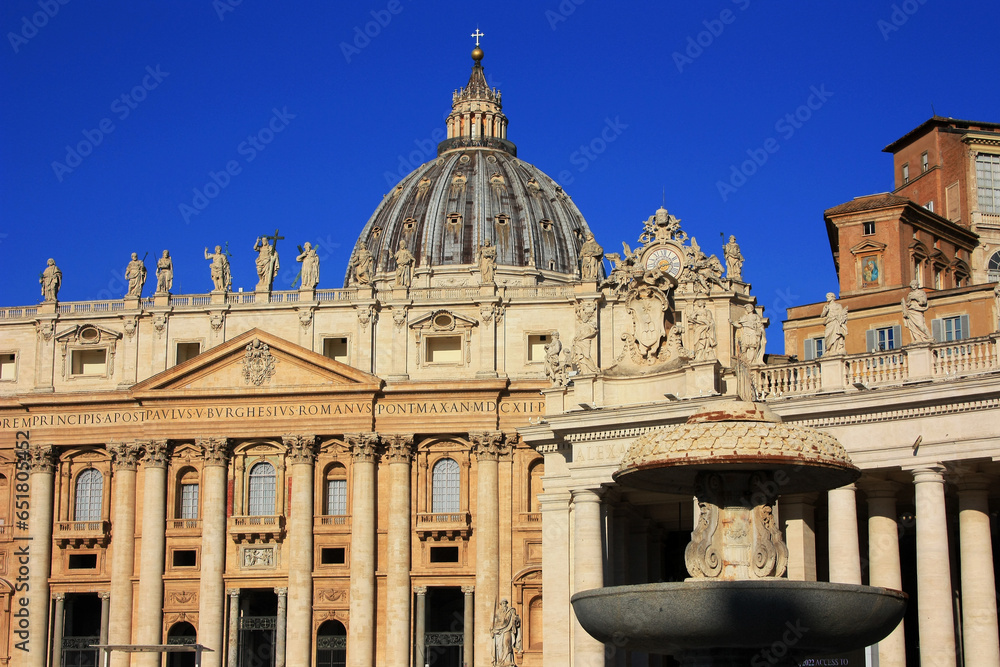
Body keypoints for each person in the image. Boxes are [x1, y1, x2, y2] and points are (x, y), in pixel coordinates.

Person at [491, 599, 521, 667]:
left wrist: (515, 619)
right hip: (498, 631)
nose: (504, 605)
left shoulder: (511, 611)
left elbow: (514, 619)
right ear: (501, 605)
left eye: (505, 603)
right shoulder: (498, 612)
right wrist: (493, 629)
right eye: (503, 603)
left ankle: (508, 661)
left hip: (507, 629)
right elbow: (495, 622)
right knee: (499, 647)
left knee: (507, 643)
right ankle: (500, 661)